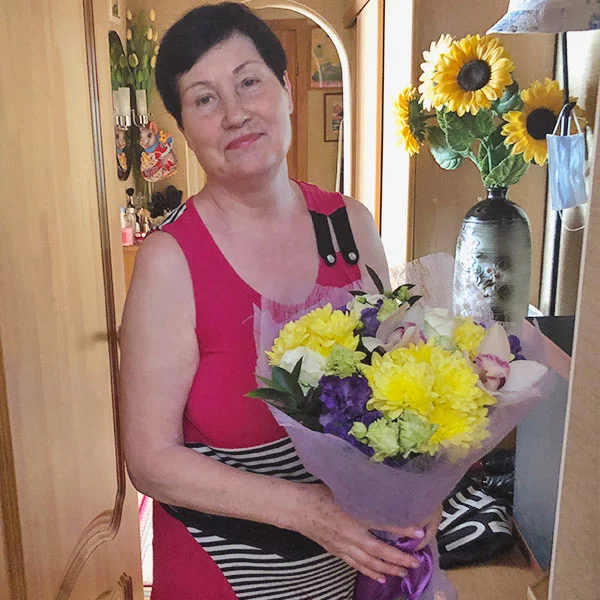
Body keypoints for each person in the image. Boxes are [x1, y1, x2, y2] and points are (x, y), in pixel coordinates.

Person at [120, 4, 441, 599]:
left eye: (249, 82)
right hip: (226, 569)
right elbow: (149, 460)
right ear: (185, 127)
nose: (235, 113)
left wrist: (421, 490)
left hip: (351, 567)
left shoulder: (350, 225)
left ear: (286, 89)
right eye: (204, 99)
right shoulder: (171, 260)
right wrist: (308, 510)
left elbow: (408, 379)